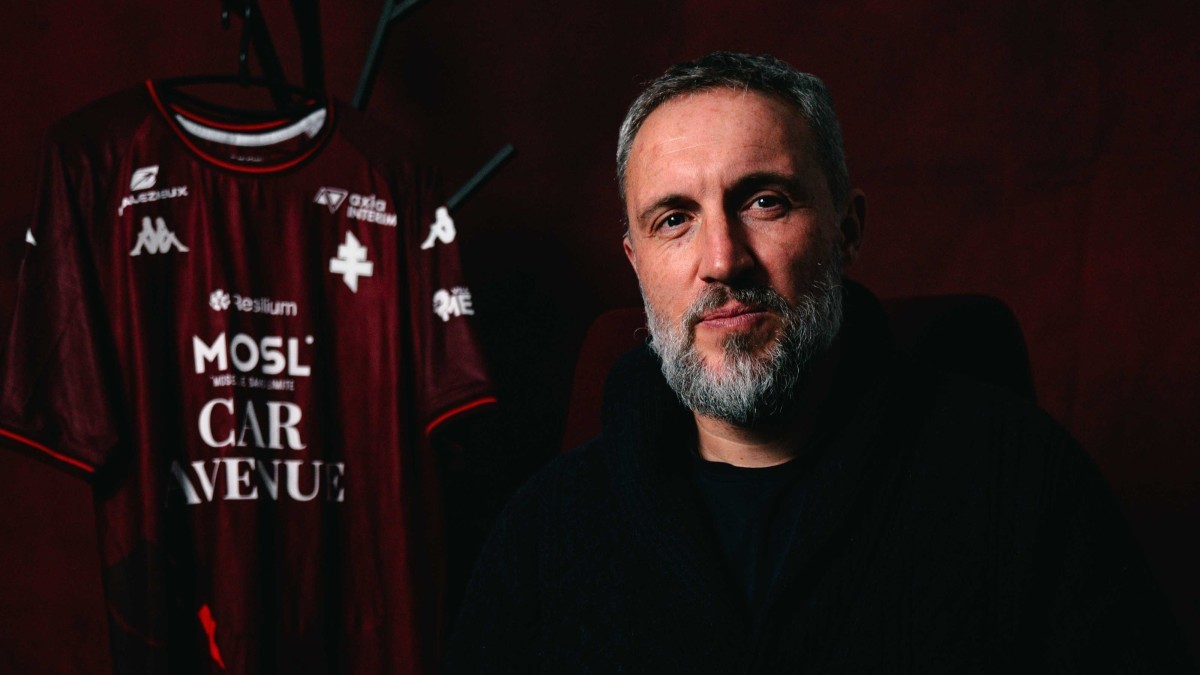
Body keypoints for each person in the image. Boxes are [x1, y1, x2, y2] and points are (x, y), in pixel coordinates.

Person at [446, 52, 1194, 673]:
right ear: (636, 263)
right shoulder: (543, 535)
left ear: (847, 229)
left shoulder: (1023, 481)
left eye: (764, 201)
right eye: (675, 219)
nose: (722, 260)